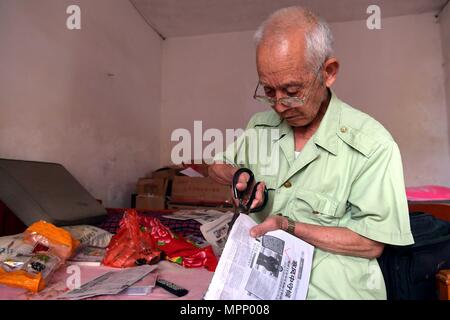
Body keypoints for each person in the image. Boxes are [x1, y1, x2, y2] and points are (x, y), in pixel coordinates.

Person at [208, 6, 414, 299]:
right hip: (260, 287)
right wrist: (238, 175)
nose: (279, 105)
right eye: (269, 91)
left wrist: (288, 226)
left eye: (292, 90)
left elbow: (371, 243)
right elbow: (216, 165)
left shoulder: (373, 144)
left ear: (328, 73)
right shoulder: (259, 126)